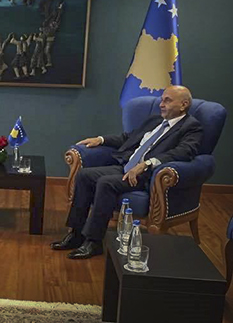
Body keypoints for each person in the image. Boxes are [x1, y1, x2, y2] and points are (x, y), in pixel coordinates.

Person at [51, 86, 203, 259]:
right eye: (162, 100)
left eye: (167, 100)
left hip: (146, 175)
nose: (161, 104)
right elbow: (128, 138)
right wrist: (100, 139)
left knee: (106, 183)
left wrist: (147, 164)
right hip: (125, 166)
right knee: (84, 175)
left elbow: (184, 152)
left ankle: (94, 242)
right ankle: (76, 234)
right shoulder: (155, 120)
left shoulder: (192, 127)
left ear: (184, 104)